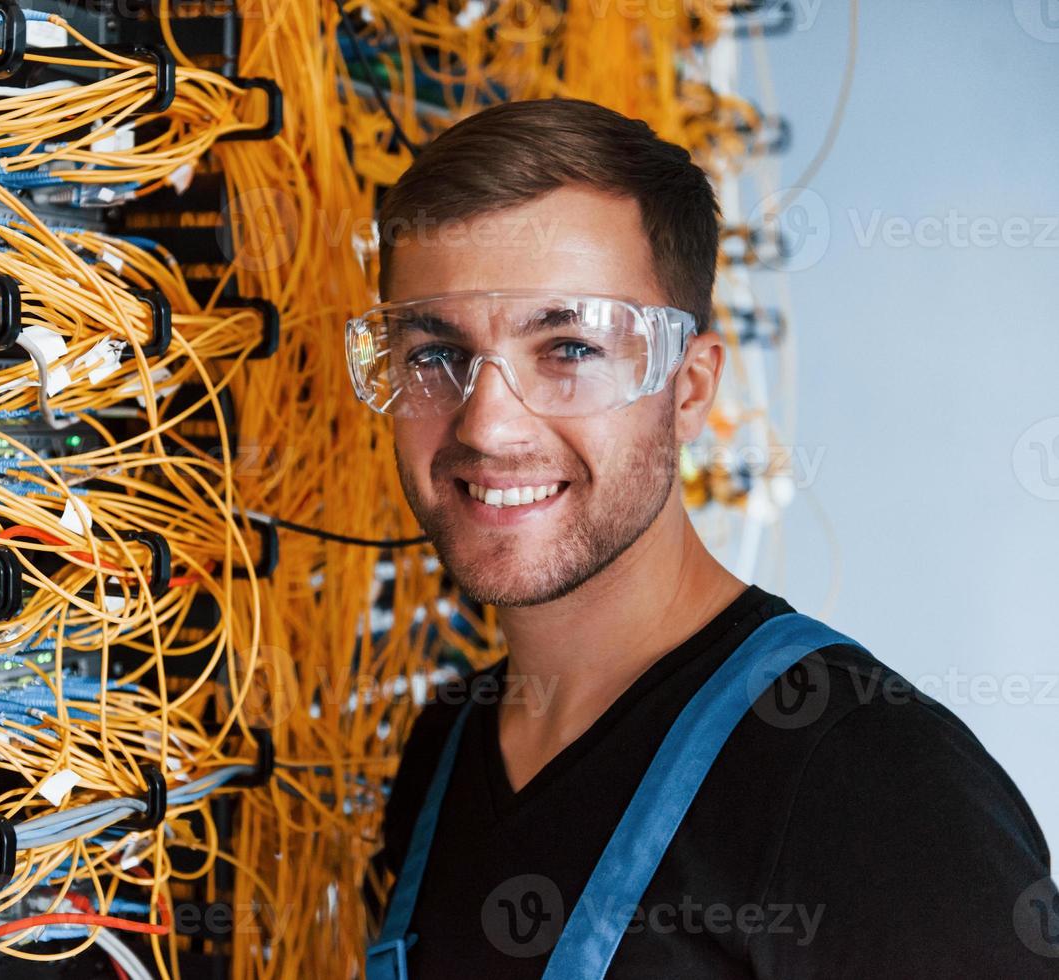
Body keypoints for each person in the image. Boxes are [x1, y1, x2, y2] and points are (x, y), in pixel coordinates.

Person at [347, 98, 1059, 978]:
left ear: (688, 389)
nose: (489, 425)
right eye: (433, 354)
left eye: (568, 349)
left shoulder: (870, 786)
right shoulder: (442, 758)